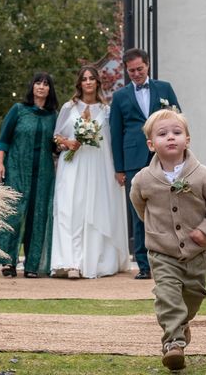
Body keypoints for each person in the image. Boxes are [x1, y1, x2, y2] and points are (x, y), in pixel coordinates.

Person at [129, 109, 206, 371]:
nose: (170, 138)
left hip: (197, 253)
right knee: (167, 295)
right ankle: (173, 343)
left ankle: (182, 325)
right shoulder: (143, 179)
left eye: (176, 132)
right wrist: (157, 230)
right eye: (163, 134)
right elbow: (140, 206)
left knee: (193, 296)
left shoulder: (203, 174)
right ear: (152, 144)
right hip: (162, 252)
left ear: (187, 139)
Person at [51, 65, 130, 279]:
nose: (88, 82)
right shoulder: (69, 107)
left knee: (95, 210)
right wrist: (68, 142)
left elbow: (112, 141)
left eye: (91, 78)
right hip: (74, 166)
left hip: (98, 168)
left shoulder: (106, 111)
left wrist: (117, 170)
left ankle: (95, 260)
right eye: (84, 78)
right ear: (80, 83)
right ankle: (70, 262)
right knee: (71, 211)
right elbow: (56, 136)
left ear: (97, 82)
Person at [109, 47, 180, 279]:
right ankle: (143, 265)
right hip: (133, 160)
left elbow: (178, 120)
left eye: (140, 69)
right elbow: (115, 132)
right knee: (138, 211)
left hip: (164, 158)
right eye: (131, 71)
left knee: (169, 208)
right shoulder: (119, 97)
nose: (136, 74)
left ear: (147, 65)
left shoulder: (165, 88)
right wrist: (119, 168)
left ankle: (169, 260)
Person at [0, 72, 59, 278]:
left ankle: (32, 264)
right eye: (38, 82)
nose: (41, 86)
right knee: (14, 213)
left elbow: (55, 145)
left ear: (49, 90)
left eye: (46, 84)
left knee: (38, 215)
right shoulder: (18, 110)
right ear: (32, 87)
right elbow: (3, 140)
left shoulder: (53, 116)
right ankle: (8, 262)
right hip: (17, 168)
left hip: (43, 172)